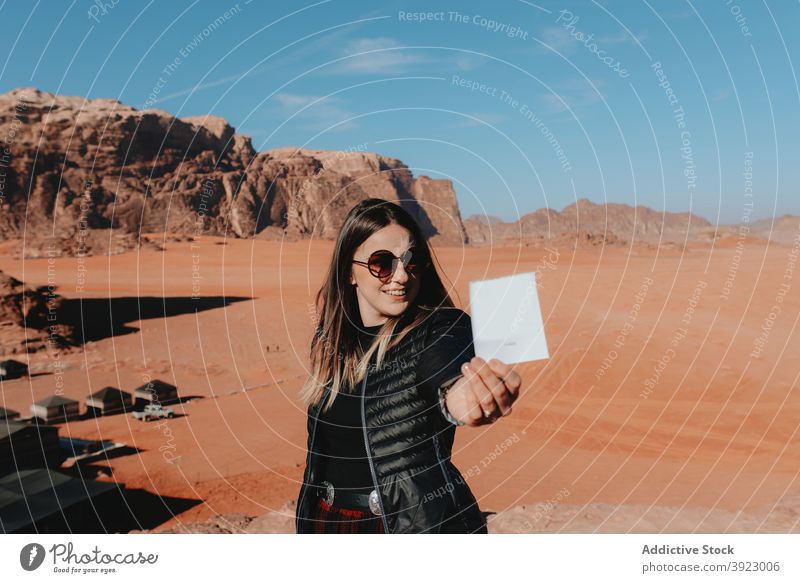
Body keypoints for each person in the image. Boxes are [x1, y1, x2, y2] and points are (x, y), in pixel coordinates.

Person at [295, 198, 522, 534]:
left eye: (411, 261)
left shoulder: (440, 327)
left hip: (411, 526)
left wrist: (461, 398)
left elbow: (447, 369)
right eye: (381, 263)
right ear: (349, 272)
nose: (401, 276)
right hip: (327, 523)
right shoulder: (332, 345)